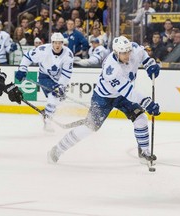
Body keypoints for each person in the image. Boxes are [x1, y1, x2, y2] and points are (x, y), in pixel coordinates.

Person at [47, 35, 160, 164]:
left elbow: (143, 54)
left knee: (141, 118)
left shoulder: (133, 49)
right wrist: (147, 103)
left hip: (121, 96)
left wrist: (150, 64)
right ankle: (57, 150)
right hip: (103, 98)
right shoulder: (111, 69)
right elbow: (128, 92)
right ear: (116, 52)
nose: (127, 55)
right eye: (123, 53)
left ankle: (144, 152)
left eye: (128, 52)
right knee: (89, 128)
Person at [15, 32, 74, 132]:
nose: (57, 45)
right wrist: (22, 69)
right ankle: (47, 122)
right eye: (55, 43)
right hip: (45, 77)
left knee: (58, 100)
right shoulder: (43, 50)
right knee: (53, 96)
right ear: (52, 42)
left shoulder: (68, 55)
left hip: (58, 80)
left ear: (62, 43)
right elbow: (28, 56)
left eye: (60, 43)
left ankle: (46, 112)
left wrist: (61, 86)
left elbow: (66, 74)